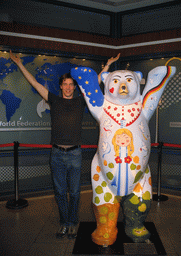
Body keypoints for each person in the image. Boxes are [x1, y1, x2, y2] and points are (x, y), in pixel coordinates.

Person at [9, 50, 120, 239]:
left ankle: (73, 222)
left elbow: (94, 83)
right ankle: (64, 222)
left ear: (74, 87)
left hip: (75, 154)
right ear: (60, 86)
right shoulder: (53, 100)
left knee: (75, 193)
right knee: (60, 192)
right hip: (57, 154)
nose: (68, 87)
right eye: (65, 84)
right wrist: (19, 64)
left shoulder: (80, 101)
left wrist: (107, 66)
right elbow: (35, 83)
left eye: (71, 84)